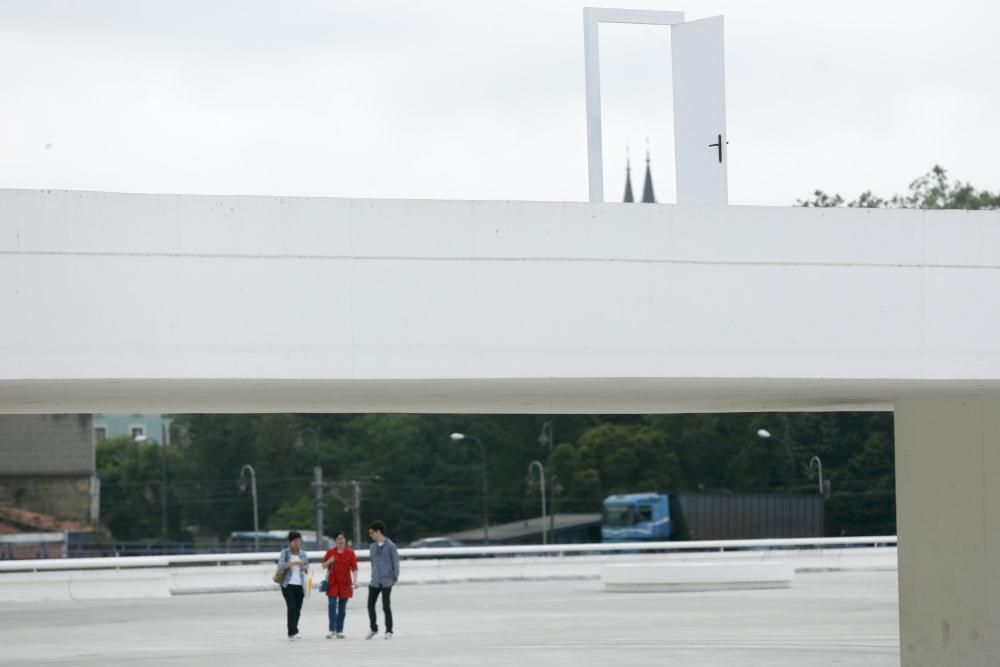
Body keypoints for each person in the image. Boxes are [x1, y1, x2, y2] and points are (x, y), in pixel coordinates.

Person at [365, 520, 399, 640]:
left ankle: (389, 630)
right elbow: (372, 563)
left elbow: (395, 563)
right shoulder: (372, 547)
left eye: (372, 532)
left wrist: (394, 577)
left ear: (378, 531)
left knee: (386, 606)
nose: (371, 535)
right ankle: (373, 628)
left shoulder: (390, 546)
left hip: (386, 581)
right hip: (374, 580)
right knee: (370, 605)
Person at [322, 530, 359, 639]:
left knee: (342, 608)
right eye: (338, 539)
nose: (341, 541)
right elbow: (323, 566)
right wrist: (329, 561)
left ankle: (339, 630)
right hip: (333, 582)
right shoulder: (330, 552)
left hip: (345, 583)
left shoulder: (350, 553)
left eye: (342, 538)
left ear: (345, 540)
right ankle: (331, 629)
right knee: (332, 605)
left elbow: (355, 568)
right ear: (335, 541)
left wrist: (356, 581)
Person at [275, 530, 310, 640]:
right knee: (291, 607)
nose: (297, 544)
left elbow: (307, 568)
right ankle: (291, 633)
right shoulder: (285, 553)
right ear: (290, 542)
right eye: (294, 541)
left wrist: (304, 567)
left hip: (299, 584)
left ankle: (295, 629)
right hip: (287, 584)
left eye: (299, 541)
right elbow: (280, 566)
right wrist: (293, 563)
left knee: (298, 609)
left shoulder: (303, 554)